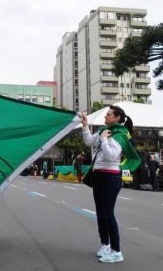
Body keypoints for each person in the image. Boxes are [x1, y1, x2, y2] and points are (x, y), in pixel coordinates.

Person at [80, 105, 139, 263]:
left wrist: (105, 139)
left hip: (110, 178)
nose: (105, 117)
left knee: (108, 213)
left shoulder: (119, 134)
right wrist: (85, 125)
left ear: (117, 118)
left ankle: (116, 250)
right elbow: (88, 142)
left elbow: (111, 156)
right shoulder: (102, 130)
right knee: (100, 213)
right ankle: (105, 244)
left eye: (108, 114)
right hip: (99, 176)